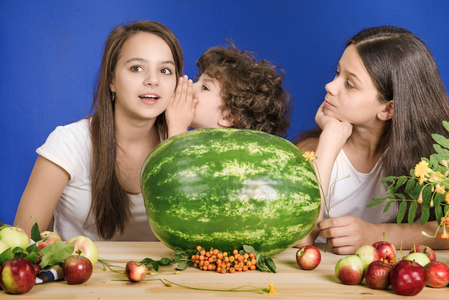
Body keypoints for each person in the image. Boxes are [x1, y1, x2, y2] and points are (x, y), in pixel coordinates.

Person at [14, 21, 186, 241]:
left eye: (165, 70)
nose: (152, 80)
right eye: (136, 68)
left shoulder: (181, 142)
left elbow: (193, 240)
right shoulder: (67, 143)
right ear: (111, 80)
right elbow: (20, 246)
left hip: (163, 276)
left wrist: (179, 134)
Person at [295, 26, 449, 254]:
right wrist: (328, 140)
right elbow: (300, 237)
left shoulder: (433, 162)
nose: (329, 86)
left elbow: (444, 230)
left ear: (388, 109)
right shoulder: (312, 151)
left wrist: (374, 235)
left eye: (350, 84)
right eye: (338, 74)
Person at [166, 43, 293, 138]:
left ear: (228, 117)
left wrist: (177, 126)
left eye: (205, 87)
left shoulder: (222, 155)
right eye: (198, 81)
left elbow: (177, 171)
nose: (191, 87)